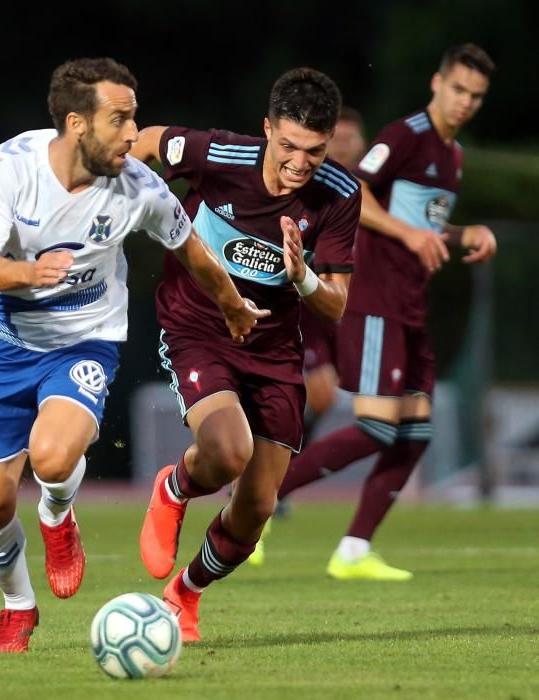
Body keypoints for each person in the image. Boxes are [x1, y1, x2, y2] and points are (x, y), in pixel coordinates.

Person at [0, 56, 266, 654]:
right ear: (77, 123)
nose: (134, 135)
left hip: (84, 339)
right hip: (2, 344)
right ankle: (18, 606)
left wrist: (231, 304)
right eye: (120, 120)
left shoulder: (139, 188)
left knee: (50, 458)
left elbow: (193, 250)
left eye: (135, 118)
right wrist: (28, 271)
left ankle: (57, 513)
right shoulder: (11, 167)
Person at [131, 67, 361, 641]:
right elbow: (146, 141)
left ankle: (185, 593)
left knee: (256, 508)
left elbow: (335, 307)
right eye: (287, 146)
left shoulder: (339, 195)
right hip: (198, 328)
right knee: (227, 452)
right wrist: (106, 194)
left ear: (328, 142)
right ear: (266, 130)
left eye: (313, 150)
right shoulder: (219, 155)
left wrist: (303, 277)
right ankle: (175, 487)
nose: (298, 163)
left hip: (276, 354)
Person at [278, 43, 497, 581]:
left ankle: (354, 549)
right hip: (375, 299)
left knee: (415, 434)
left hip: (411, 306)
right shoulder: (405, 135)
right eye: (458, 89)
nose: (465, 101)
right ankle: (260, 494)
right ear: (437, 84)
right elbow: (358, 192)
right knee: (378, 428)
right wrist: (410, 234)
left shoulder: (454, 156)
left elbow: (420, 225)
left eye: (476, 95)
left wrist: (464, 232)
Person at [269, 106, 368, 529]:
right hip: (310, 310)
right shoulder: (313, 190)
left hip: (346, 313)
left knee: (325, 397)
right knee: (322, 394)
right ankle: (270, 482)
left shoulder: (364, 190)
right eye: (337, 140)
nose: (344, 147)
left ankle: (271, 480)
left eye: (349, 140)